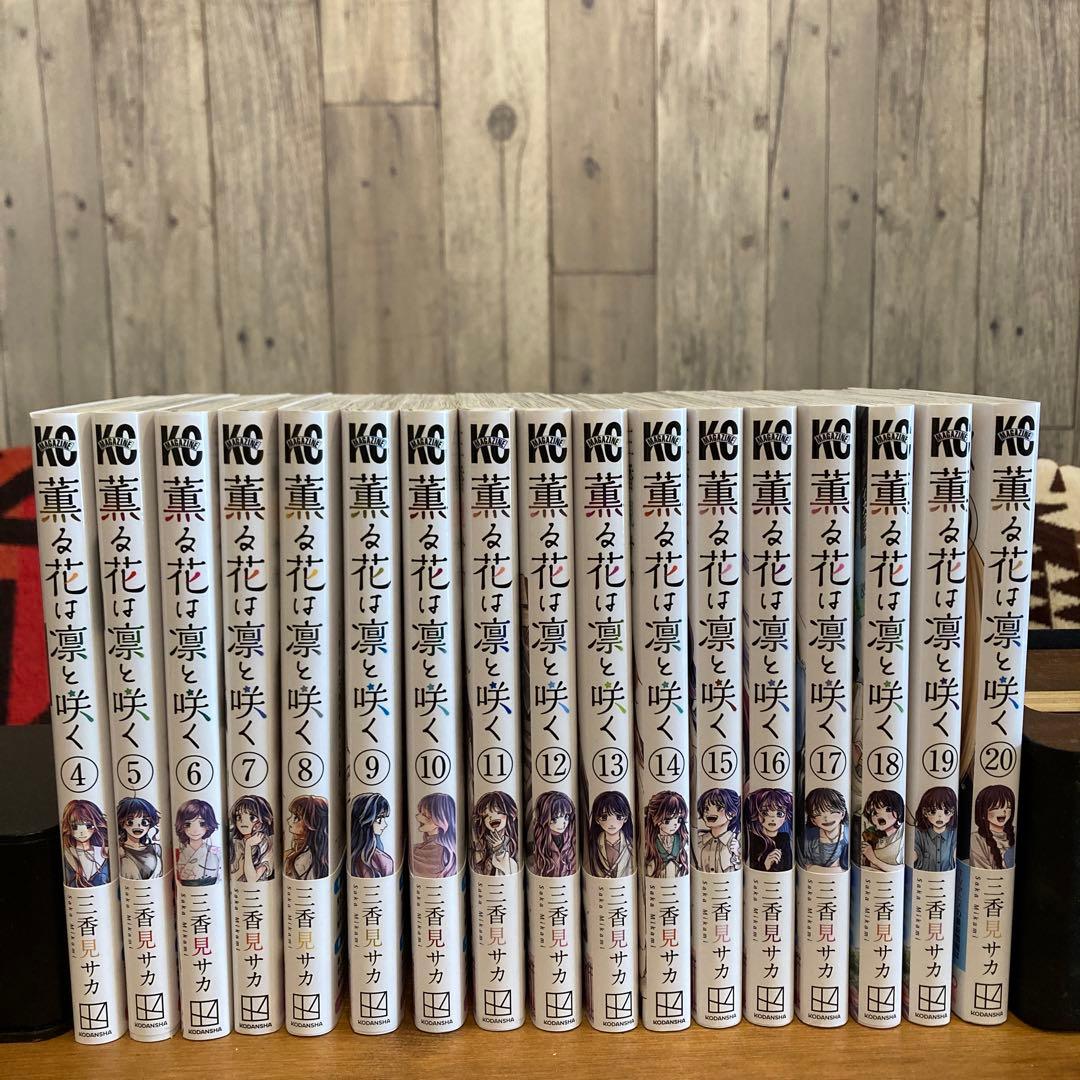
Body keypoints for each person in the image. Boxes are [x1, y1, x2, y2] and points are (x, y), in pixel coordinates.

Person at [61, 800, 110, 887]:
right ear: (68, 827)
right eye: (75, 826)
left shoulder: (105, 852)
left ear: (95, 826)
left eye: (88, 825)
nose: (82, 832)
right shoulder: (67, 853)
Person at [174, 799, 222, 886]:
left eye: (202, 824)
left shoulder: (215, 852)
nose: (195, 830)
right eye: (187, 824)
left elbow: (220, 876)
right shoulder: (180, 852)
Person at [471, 790, 519, 876]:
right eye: (486, 815)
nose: (492, 818)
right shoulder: (481, 845)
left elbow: (512, 869)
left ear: (511, 814)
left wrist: (499, 850)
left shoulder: (514, 842)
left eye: (498, 812)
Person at [745, 788, 793, 872]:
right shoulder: (753, 838)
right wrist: (765, 865)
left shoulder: (784, 838)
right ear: (757, 814)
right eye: (764, 813)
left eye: (779, 813)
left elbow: (787, 865)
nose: (772, 819)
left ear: (786, 816)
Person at [529, 790, 577, 877]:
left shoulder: (571, 839)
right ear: (544, 818)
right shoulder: (538, 840)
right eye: (555, 818)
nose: (563, 823)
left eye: (566, 817)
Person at [801, 787, 849, 872]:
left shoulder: (847, 833)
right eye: (818, 813)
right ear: (812, 820)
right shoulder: (809, 836)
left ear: (843, 813)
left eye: (832, 811)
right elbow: (807, 867)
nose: (826, 818)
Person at [643, 790, 689, 878]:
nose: (675, 824)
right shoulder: (651, 842)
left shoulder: (681, 840)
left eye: (679, 819)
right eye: (668, 820)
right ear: (656, 818)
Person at [588, 790, 634, 878]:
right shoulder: (593, 844)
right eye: (604, 817)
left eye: (618, 816)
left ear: (625, 818)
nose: (612, 823)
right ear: (597, 819)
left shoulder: (631, 844)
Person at [968, 784, 1016, 870]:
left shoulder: (1015, 833)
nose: (1004, 811)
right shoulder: (976, 839)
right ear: (983, 810)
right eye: (996, 807)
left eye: (1008, 807)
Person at [912, 786, 958, 872]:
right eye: (933, 811)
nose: (940, 816)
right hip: (923, 877)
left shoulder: (954, 833)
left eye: (946, 811)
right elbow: (913, 855)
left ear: (953, 812)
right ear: (925, 812)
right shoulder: (919, 833)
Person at [229, 794, 274, 882]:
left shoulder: (266, 843)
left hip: (261, 888)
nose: (243, 822)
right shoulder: (236, 842)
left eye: (252, 817)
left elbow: (252, 879)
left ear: (262, 820)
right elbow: (232, 874)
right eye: (239, 817)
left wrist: (248, 845)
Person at [695, 787, 741, 872]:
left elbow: (738, 866)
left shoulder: (735, 842)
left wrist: (737, 853)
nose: (709, 812)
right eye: (706, 808)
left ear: (732, 813)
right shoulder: (699, 841)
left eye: (719, 808)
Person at [412, 792, 457, 878]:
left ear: (441, 820)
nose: (418, 817)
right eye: (420, 812)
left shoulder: (436, 850)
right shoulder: (426, 846)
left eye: (425, 815)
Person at [117, 797, 163, 880]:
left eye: (144, 822)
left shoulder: (156, 849)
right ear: (122, 824)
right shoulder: (120, 852)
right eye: (130, 822)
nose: (138, 825)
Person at [284, 795, 329, 879]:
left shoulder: (303, 859)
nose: (288, 820)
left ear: (311, 824)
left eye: (296, 818)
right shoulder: (296, 853)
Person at [350, 793, 394, 878]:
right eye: (379, 818)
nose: (385, 824)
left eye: (384, 818)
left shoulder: (383, 860)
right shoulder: (384, 861)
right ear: (366, 819)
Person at [860, 789, 905, 870]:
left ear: (899, 812)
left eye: (888, 810)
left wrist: (873, 859)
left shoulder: (902, 836)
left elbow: (899, 869)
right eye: (874, 812)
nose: (879, 815)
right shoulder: (872, 837)